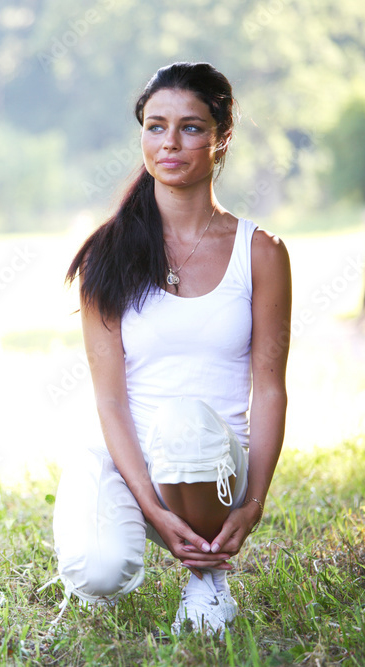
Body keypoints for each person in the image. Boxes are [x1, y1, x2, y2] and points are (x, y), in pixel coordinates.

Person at [53, 61, 291, 636]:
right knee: (99, 573)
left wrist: (253, 501)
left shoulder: (260, 253)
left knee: (186, 425)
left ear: (221, 137)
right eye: (156, 126)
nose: (171, 143)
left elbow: (271, 387)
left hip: (213, 462)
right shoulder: (107, 255)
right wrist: (152, 505)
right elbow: (109, 403)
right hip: (128, 450)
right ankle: (117, 518)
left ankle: (207, 578)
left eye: (191, 127)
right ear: (142, 135)